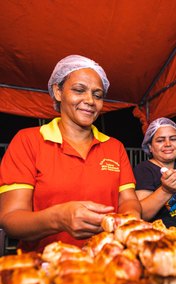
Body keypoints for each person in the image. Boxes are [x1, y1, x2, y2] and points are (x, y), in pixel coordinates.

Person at [0, 55, 141, 253]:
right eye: (79, 90)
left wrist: (128, 220)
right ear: (58, 91)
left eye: (98, 95)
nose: (90, 100)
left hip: (108, 261)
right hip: (47, 266)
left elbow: (128, 200)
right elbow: (11, 219)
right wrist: (58, 218)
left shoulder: (114, 147)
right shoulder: (28, 141)